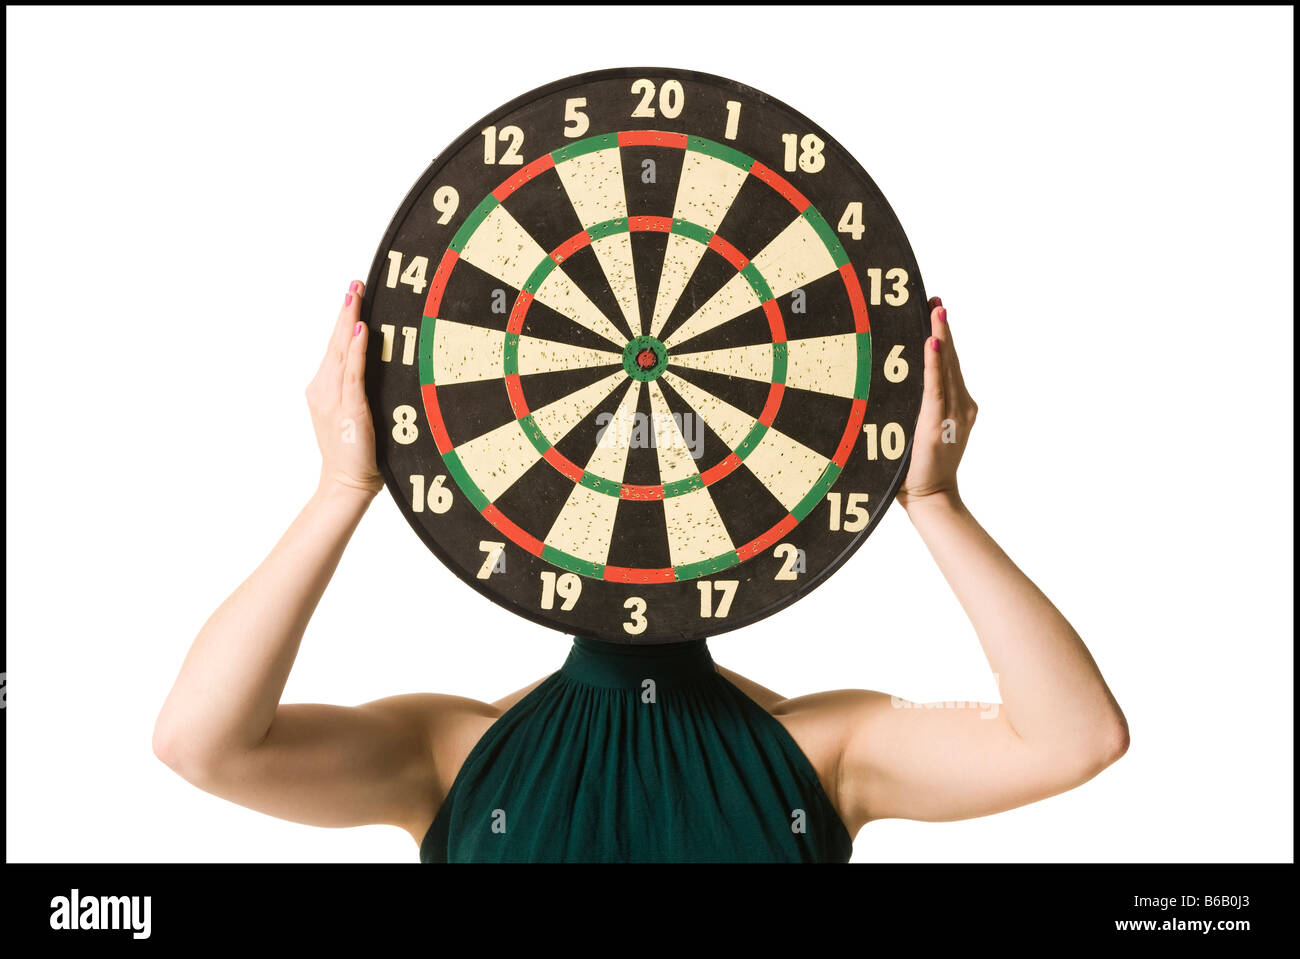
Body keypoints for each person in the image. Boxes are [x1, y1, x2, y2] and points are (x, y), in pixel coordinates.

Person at [153, 280, 1129, 862]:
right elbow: (201, 742)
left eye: (677, 470)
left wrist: (933, 501)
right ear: (537, 515)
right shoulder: (455, 753)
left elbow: (1074, 738)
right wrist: (338, 487)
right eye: (606, 469)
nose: (641, 508)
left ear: (741, 520)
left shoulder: (820, 750)